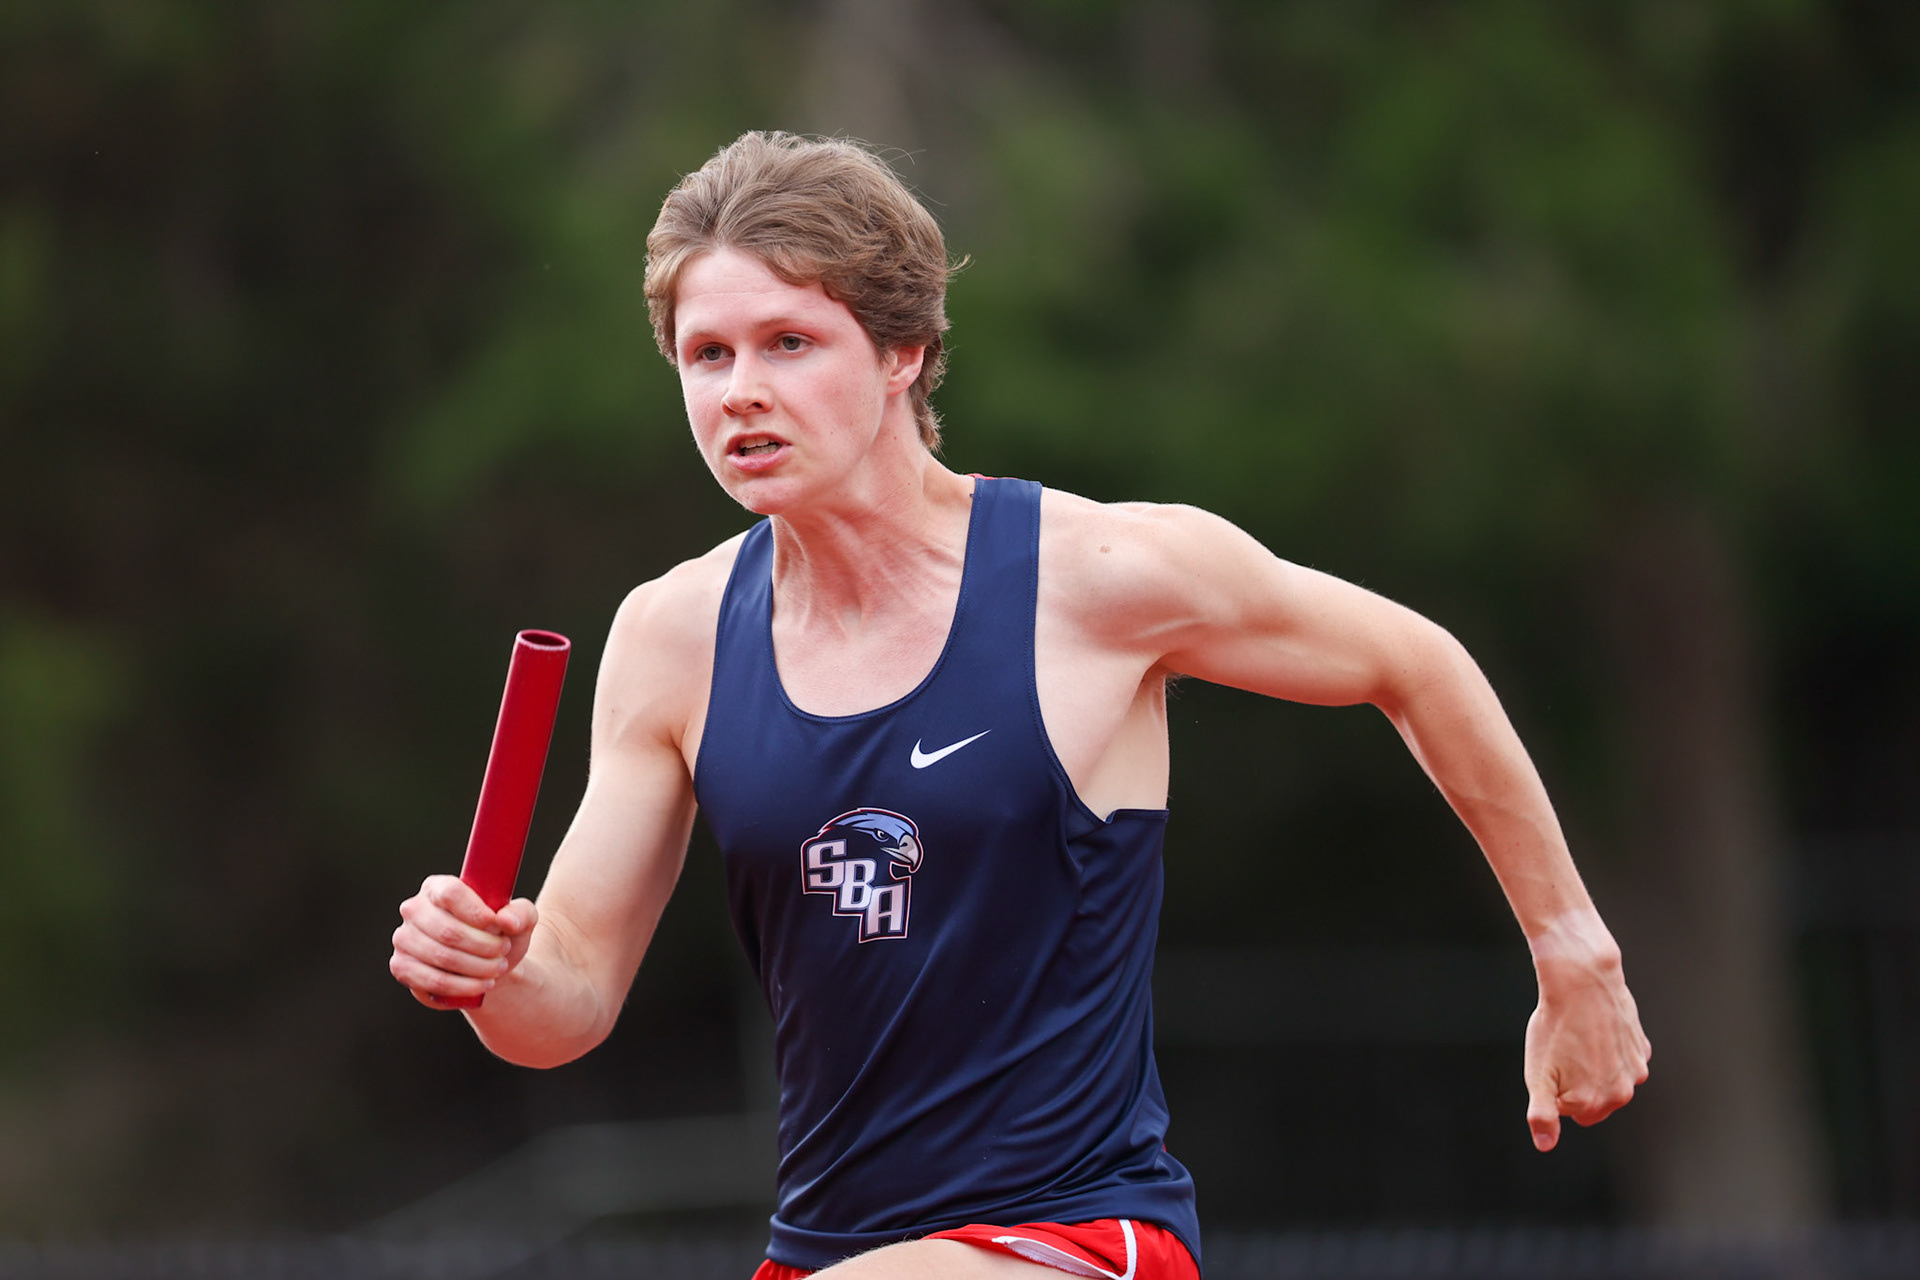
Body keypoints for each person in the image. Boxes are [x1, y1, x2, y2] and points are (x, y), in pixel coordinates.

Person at [389, 131, 1650, 1280]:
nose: (739, 392)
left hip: (1080, 1238)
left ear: (903, 353)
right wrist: (487, 968)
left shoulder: (1093, 580)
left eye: (788, 343)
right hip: (823, 1253)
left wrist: (1572, 949)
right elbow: (563, 1007)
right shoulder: (674, 637)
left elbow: (1411, 659)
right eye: (707, 355)